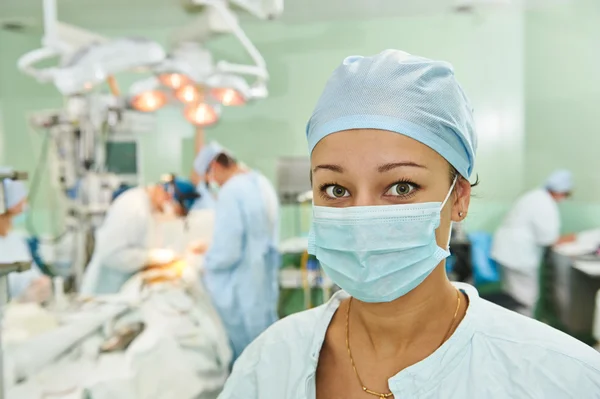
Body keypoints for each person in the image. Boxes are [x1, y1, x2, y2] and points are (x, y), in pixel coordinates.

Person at [218, 50, 600, 399]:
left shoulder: (560, 378)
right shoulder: (269, 362)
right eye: (336, 189)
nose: (361, 217)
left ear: (459, 198)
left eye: (401, 187)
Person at [193, 140, 280, 362]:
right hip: (262, 282)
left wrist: (205, 262)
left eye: (209, 177)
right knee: (266, 349)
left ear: (214, 167)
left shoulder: (231, 191)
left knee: (246, 357)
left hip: (241, 289)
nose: (212, 183)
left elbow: (227, 252)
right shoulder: (260, 183)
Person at [80, 178, 196, 295]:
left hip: (125, 292)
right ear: (166, 195)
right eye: (176, 210)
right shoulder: (133, 206)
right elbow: (110, 255)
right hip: (106, 291)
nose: (172, 213)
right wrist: (150, 257)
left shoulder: (151, 210)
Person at [492, 169, 576, 317]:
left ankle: (512, 330)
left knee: (512, 295)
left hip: (508, 251)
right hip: (519, 255)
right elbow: (547, 238)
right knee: (525, 299)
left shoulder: (533, 196)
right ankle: (521, 334)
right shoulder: (544, 203)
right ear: (560, 191)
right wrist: (567, 239)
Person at [0, 169, 51, 302]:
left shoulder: (15, 239)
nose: (24, 206)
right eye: (20, 203)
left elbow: (33, 275)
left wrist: (40, 284)